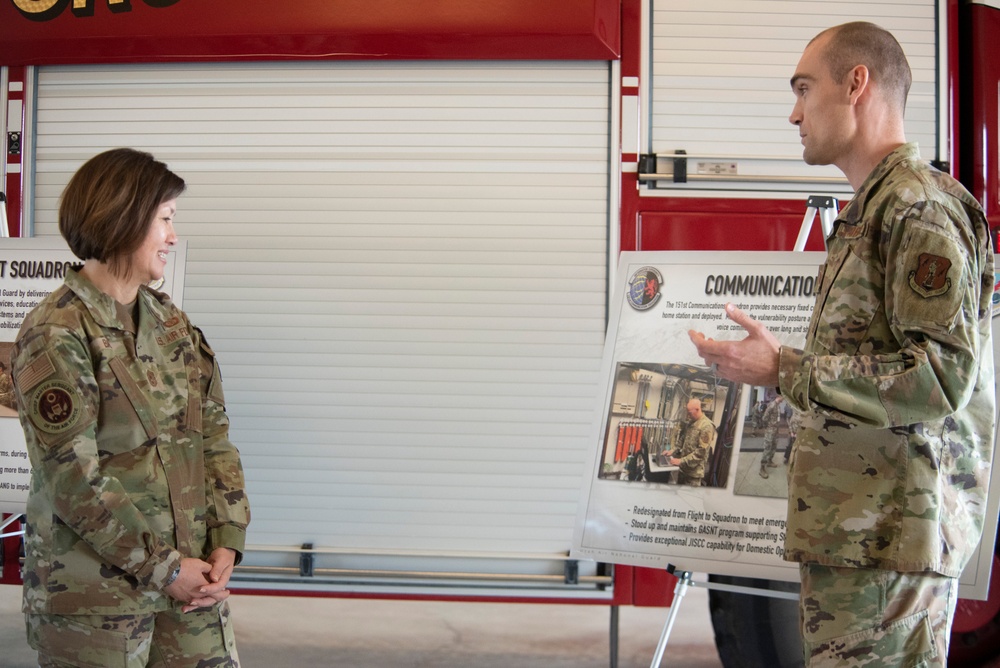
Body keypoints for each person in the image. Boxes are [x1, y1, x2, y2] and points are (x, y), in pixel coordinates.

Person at [688, 22, 994, 667]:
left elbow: (939, 379)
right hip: (859, 536)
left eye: (804, 88)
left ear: (857, 84)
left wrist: (784, 369)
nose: (793, 112)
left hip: (890, 541)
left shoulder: (917, 211)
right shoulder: (873, 209)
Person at [11, 148, 251, 667]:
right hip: (97, 603)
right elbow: (73, 479)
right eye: (164, 219)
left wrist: (225, 541)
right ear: (123, 219)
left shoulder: (171, 324)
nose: (172, 236)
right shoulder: (58, 333)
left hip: (191, 583)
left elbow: (212, 436)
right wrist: (165, 568)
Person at [666, 398, 716, 486]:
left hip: (693, 474)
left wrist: (681, 461)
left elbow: (701, 453)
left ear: (697, 409)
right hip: (683, 469)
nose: (688, 416)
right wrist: (672, 451)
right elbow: (683, 439)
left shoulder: (707, 426)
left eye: (690, 413)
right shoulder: (691, 423)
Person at [758, 395, 783, 479]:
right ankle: (762, 469)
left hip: (775, 431)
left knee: (773, 446)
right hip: (770, 431)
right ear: (779, 396)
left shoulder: (778, 405)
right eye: (783, 397)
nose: (783, 399)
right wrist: (768, 428)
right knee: (767, 448)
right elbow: (764, 418)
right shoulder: (772, 405)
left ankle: (769, 461)